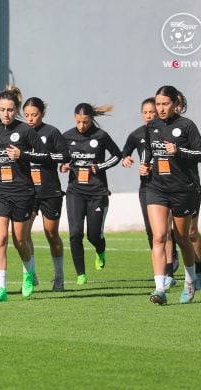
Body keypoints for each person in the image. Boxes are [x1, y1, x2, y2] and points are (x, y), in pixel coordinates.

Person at [0, 85, 50, 302]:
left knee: (19, 240)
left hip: (22, 193)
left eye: (9, 109)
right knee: (0, 239)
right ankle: (1, 289)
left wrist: (22, 154)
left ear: (16, 109)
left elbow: (45, 156)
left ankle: (29, 273)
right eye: (1, 109)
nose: (5, 113)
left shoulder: (26, 131)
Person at [141, 85, 201, 305]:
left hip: (183, 189)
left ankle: (190, 280)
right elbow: (148, 153)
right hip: (156, 188)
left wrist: (179, 152)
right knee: (159, 236)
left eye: (165, 104)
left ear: (175, 104)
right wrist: (145, 166)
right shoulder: (151, 126)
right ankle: (160, 288)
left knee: (182, 238)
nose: (160, 109)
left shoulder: (187, 126)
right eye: (158, 104)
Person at [60, 103, 122, 285]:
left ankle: (100, 250)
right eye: (79, 122)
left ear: (91, 120)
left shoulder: (100, 136)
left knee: (93, 235)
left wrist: (99, 166)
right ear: (74, 118)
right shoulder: (67, 136)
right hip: (75, 191)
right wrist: (63, 166)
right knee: (75, 233)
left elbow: (117, 155)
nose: (81, 126)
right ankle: (81, 274)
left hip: (97, 192)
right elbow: (64, 159)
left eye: (85, 122)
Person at [122, 98, 179, 289]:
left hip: (168, 187)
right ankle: (161, 266)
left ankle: (169, 271)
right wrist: (127, 159)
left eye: (152, 112)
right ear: (141, 114)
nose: (149, 115)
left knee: (165, 231)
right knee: (152, 232)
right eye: (145, 112)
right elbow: (125, 152)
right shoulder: (137, 134)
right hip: (147, 187)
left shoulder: (167, 132)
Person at [20, 97, 70, 292]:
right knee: (23, 234)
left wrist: (41, 156)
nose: (30, 119)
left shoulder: (52, 132)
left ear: (42, 114)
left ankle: (59, 277)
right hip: (27, 190)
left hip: (50, 191)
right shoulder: (20, 133)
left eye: (35, 114)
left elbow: (64, 156)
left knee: (51, 233)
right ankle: (31, 274)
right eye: (27, 115)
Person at [174, 91, 201, 290]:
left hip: (189, 188)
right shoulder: (157, 127)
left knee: (191, 232)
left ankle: (200, 269)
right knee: (167, 232)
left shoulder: (187, 126)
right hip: (166, 189)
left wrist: (179, 152)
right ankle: (169, 271)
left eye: (177, 104)